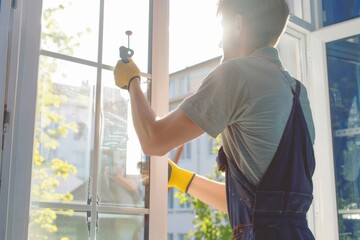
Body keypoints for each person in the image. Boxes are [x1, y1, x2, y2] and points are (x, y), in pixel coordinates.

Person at [113, 0, 316, 239]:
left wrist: (133, 82)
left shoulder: (236, 74)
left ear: (238, 24)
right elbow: (256, 209)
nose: (219, 42)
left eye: (222, 27)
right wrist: (178, 177)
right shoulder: (298, 93)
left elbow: (153, 140)